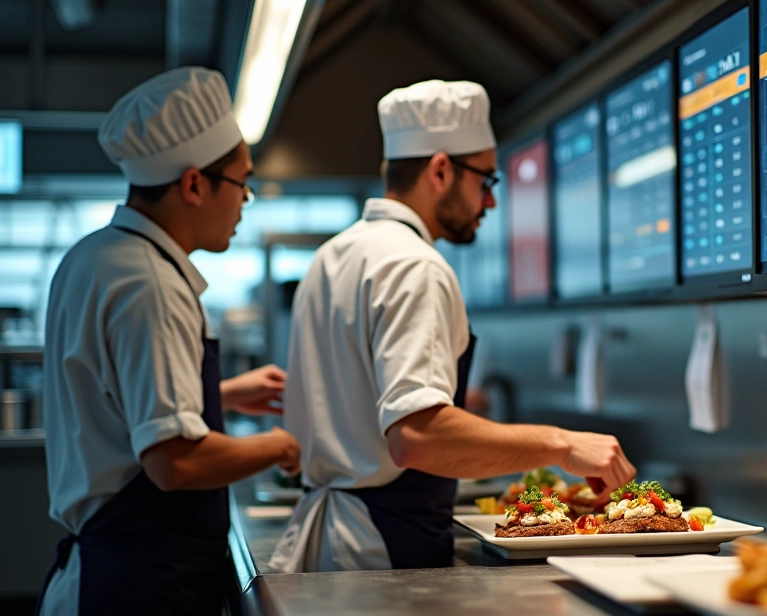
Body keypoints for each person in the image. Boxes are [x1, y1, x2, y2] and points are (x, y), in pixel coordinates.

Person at [269, 80, 636, 572]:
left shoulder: (333, 255)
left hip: (332, 545)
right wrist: (563, 445)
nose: (491, 203)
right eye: (486, 180)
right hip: (381, 554)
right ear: (441, 169)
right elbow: (417, 436)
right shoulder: (414, 264)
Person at [35, 67, 302, 616]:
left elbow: (114, 405)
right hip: (137, 595)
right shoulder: (151, 284)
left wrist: (222, 395)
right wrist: (284, 444)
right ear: (194, 185)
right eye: (242, 184)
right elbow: (173, 462)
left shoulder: (96, 257)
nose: (245, 202)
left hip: (118, 577)